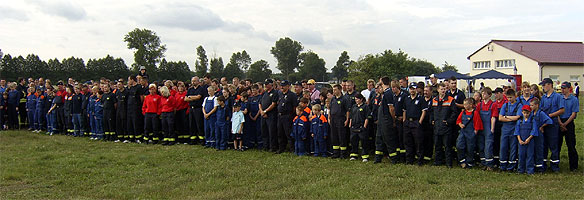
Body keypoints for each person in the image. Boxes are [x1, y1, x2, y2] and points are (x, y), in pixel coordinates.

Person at [539, 78, 565, 172]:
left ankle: (555, 166)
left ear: (549, 85)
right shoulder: (544, 98)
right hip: (544, 125)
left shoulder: (557, 97)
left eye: (544, 85)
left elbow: (562, 110)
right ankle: (544, 165)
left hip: (553, 124)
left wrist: (550, 115)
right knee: (544, 145)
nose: (543, 87)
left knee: (554, 146)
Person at [430, 83, 457, 168]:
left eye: (444, 89)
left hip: (446, 127)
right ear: (438, 90)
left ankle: (449, 163)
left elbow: (454, 113)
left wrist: (449, 121)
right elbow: (431, 112)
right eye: (441, 89)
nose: (443, 90)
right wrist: (432, 120)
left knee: (447, 146)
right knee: (437, 145)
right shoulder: (434, 100)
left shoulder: (450, 99)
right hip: (437, 126)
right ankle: (437, 161)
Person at [375, 77, 398, 164]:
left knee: (388, 139)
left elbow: (391, 108)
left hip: (386, 119)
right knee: (379, 138)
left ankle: (393, 158)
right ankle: (378, 158)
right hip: (381, 120)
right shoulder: (383, 93)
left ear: (382, 82)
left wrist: (393, 120)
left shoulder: (388, 93)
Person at [402, 83, 427, 165]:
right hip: (408, 122)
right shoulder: (407, 99)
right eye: (411, 89)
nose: (412, 90)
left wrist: (420, 122)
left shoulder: (421, 99)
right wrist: (404, 120)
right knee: (408, 142)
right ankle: (409, 160)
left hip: (416, 122)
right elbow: (404, 111)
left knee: (418, 142)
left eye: (414, 88)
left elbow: (424, 111)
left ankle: (420, 160)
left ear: (416, 89)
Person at [498, 89, 522, 171]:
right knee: (503, 147)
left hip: (514, 130)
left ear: (515, 96)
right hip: (505, 130)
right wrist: (510, 118)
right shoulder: (505, 105)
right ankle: (502, 165)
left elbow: (518, 117)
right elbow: (500, 118)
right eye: (508, 98)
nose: (509, 99)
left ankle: (511, 166)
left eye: (511, 97)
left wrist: (506, 117)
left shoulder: (519, 105)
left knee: (513, 148)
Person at [456, 98, 483, 168]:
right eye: (464, 104)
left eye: (466, 104)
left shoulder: (475, 113)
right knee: (459, 145)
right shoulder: (463, 112)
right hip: (463, 132)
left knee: (470, 148)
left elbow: (477, 124)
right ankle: (462, 161)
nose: (464, 106)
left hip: (471, 133)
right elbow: (458, 120)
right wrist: (460, 124)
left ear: (471, 105)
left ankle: (470, 162)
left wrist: (475, 133)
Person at [558, 82, 579, 171]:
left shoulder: (574, 99)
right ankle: (556, 164)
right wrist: (560, 123)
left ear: (569, 89)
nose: (563, 90)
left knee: (571, 145)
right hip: (560, 121)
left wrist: (565, 124)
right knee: (557, 144)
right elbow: (557, 111)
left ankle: (573, 166)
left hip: (569, 121)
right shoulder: (559, 98)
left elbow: (574, 114)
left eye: (564, 88)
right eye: (562, 88)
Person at [528, 98, 552, 173]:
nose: (531, 107)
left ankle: (540, 168)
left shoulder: (540, 113)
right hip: (532, 134)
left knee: (539, 150)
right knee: (532, 150)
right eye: (530, 105)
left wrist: (542, 126)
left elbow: (549, 121)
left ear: (537, 105)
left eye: (532, 105)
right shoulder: (530, 113)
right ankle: (533, 166)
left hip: (539, 135)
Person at [515, 105, 538, 174]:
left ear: (530, 113)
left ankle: (530, 170)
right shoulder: (520, 121)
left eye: (527, 113)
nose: (526, 114)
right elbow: (517, 131)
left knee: (530, 155)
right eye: (524, 113)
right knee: (521, 155)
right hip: (521, 141)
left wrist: (529, 139)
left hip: (530, 141)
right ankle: (520, 170)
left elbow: (534, 130)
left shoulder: (532, 121)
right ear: (522, 112)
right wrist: (519, 140)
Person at [329, 84, 350, 159]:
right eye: (333, 90)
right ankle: (335, 153)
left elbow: (347, 110)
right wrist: (329, 117)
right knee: (334, 136)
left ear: (340, 90)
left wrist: (347, 119)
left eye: (335, 90)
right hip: (333, 120)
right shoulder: (333, 99)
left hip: (341, 120)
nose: (334, 91)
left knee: (342, 136)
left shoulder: (344, 99)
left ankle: (343, 154)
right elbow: (330, 109)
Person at [276, 80, 297, 153]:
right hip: (280, 116)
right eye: (281, 85)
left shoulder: (292, 95)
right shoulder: (280, 94)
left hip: (287, 116)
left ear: (288, 86)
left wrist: (290, 115)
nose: (282, 87)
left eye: (283, 86)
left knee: (288, 133)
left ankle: (292, 149)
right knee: (280, 133)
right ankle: (281, 148)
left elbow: (294, 107)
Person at [349, 93, 370, 162]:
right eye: (355, 99)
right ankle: (354, 155)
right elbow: (351, 116)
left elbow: (367, 117)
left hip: (361, 127)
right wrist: (350, 124)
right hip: (354, 127)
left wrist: (364, 126)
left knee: (364, 142)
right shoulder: (354, 106)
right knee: (353, 141)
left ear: (361, 99)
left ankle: (365, 156)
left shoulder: (365, 107)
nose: (356, 100)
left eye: (357, 99)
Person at [259, 79, 279, 152]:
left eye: (267, 84)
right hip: (263, 115)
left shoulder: (275, 93)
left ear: (271, 84)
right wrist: (261, 111)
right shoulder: (265, 93)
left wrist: (265, 111)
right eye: (265, 84)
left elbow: (273, 104)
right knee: (264, 131)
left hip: (271, 115)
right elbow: (260, 103)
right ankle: (265, 146)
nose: (266, 85)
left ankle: (272, 147)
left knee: (272, 132)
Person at [186, 77, 206, 145]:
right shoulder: (190, 89)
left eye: (194, 81)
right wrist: (193, 98)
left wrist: (190, 97)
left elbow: (199, 97)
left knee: (199, 124)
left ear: (198, 81)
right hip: (191, 108)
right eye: (192, 81)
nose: (193, 82)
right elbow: (185, 99)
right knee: (192, 124)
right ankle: (193, 139)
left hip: (198, 108)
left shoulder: (201, 89)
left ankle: (201, 140)